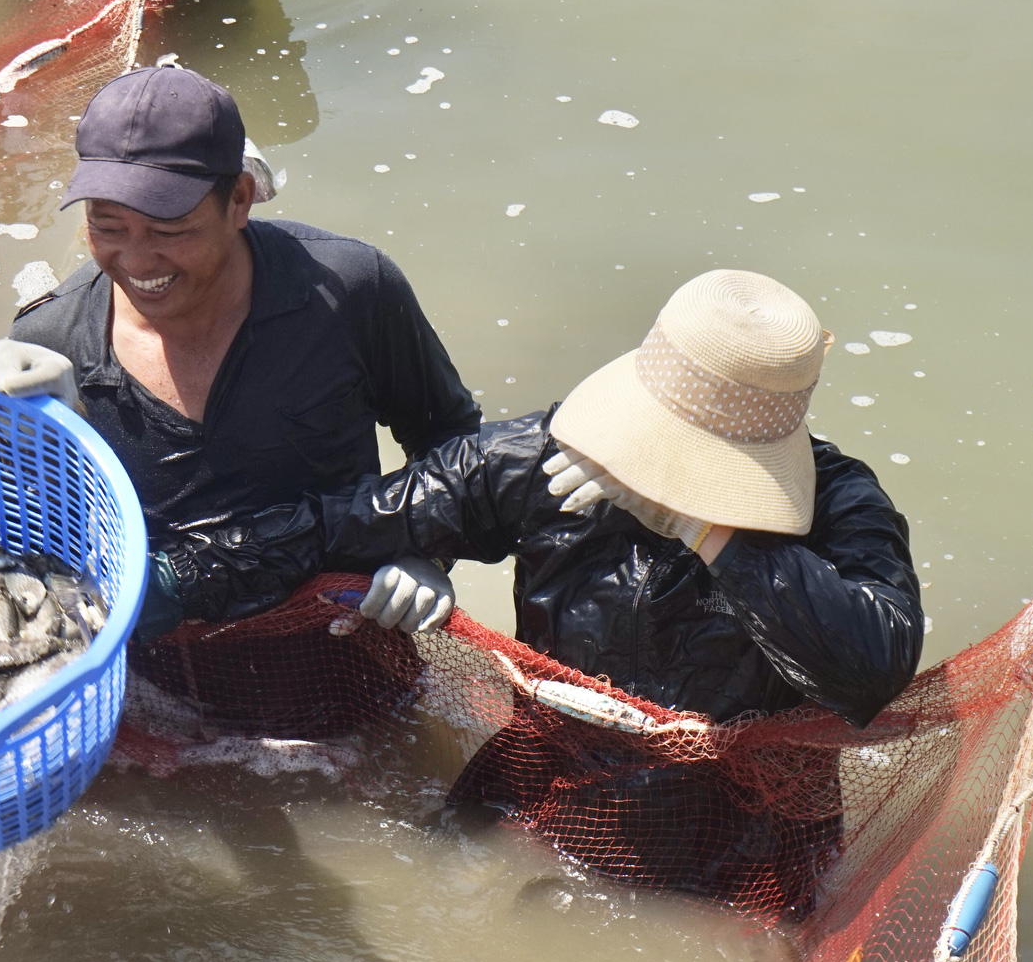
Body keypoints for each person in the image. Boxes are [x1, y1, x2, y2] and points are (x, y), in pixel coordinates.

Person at [185, 270, 925, 911]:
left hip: (740, 843)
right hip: (547, 785)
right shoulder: (549, 457)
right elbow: (341, 524)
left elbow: (871, 672)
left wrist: (713, 536)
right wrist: (178, 577)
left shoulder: (842, 506)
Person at [0, 65, 481, 638]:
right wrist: (16, 435)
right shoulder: (49, 346)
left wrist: (430, 551)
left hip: (349, 644)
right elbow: (40, 543)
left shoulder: (351, 289)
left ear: (239, 199)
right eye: (107, 226)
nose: (139, 262)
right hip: (157, 673)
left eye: (170, 230)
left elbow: (451, 440)